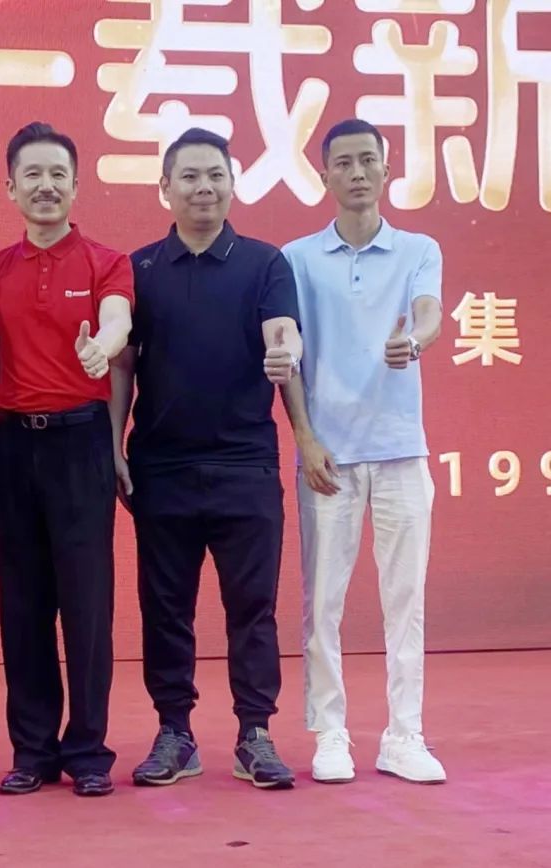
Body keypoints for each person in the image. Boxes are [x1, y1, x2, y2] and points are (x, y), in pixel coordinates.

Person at [110, 127, 301, 791]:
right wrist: (113, 446)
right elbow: (123, 367)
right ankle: (175, 732)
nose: (203, 188)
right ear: (165, 187)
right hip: (161, 468)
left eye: (215, 175)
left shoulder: (265, 264)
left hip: (246, 465)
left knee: (253, 607)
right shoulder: (139, 270)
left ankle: (256, 733)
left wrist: (286, 350)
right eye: (189, 176)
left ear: (232, 183)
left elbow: (282, 331)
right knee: (166, 607)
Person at [281, 118, 446, 785]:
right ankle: (330, 732)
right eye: (343, 162)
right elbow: (289, 347)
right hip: (329, 455)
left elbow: (429, 312)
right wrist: (305, 435)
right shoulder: (296, 258)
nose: (356, 172)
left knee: (406, 598)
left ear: (386, 168)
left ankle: (405, 735)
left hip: (401, 449)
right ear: (324, 175)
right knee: (323, 602)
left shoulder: (418, 248)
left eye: (367, 160)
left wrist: (417, 341)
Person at [0, 122, 133, 798]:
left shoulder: (105, 261)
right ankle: (33, 751)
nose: (46, 185)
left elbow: (119, 319)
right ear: (11, 187)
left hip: (81, 442)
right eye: (32, 175)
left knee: (87, 602)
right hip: (16, 444)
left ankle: (89, 750)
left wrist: (105, 345)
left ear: (75, 185)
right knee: (23, 601)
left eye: (57, 174)